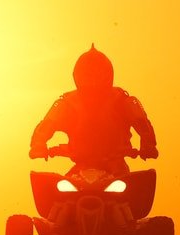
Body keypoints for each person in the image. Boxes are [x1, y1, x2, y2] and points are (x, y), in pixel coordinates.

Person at [28, 44, 159, 175]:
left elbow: (142, 123)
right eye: (88, 75)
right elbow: (48, 124)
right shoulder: (68, 103)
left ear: (107, 74)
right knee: (54, 192)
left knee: (135, 190)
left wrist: (148, 145)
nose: (93, 81)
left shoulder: (121, 101)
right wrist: (38, 145)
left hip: (116, 167)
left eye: (98, 74)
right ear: (78, 75)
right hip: (81, 168)